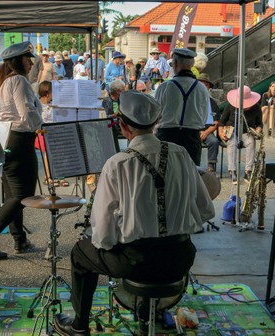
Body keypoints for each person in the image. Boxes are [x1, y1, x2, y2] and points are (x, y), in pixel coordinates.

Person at [53, 90, 215, 336]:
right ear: (156, 123)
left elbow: (104, 234)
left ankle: (79, 326)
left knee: (80, 254)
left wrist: (119, 235)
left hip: (136, 262)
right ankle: (152, 312)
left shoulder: (117, 163)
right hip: (180, 258)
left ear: (122, 126)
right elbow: (205, 209)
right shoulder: (181, 154)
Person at [0, 41, 42, 260]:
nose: (31, 63)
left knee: (11, 193)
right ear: (18, 61)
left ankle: (19, 239)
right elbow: (28, 113)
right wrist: (40, 123)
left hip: (3, 138)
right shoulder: (18, 81)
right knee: (23, 194)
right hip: (19, 140)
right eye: (28, 59)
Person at [154, 48, 210, 166]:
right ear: (191, 65)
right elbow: (204, 118)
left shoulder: (164, 87)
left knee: (165, 175)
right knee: (189, 177)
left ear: (175, 64)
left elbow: (156, 115)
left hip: (167, 136)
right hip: (192, 137)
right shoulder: (202, 89)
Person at [219, 86, 262, 184]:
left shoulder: (256, 107)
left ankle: (248, 171)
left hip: (247, 132)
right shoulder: (230, 106)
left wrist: (258, 130)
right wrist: (221, 133)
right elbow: (221, 122)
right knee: (232, 142)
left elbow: (260, 123)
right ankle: (232, 170)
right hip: (232, 131)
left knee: (251, 142)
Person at [197, 73, 221, 173]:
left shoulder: (212, 103)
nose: (203, 87)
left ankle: (211, 164)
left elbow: (216, 122)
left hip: (207, 131)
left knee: (214, 141)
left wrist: (206, 132)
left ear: (209, 87)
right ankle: (193, 164)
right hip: (193, 130)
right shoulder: (191, 100)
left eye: (206, 85)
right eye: (201, 84)